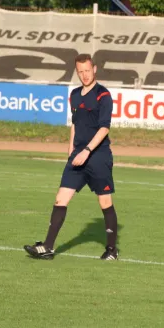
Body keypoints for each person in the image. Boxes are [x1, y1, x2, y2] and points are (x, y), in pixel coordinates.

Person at [24, 53, 119, 261]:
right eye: (80, 71)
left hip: (98, 157)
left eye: (87, 70)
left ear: (94, 69)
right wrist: (71, 152)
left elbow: (104, 128)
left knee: (105, 203)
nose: (85, 75)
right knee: (60, 199)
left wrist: (87, 151)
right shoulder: (75, 94)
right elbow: (75, 125)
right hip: (77, 158)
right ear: (77, 72)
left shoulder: (104, 95)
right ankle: (48, 247)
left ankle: (112, 250)